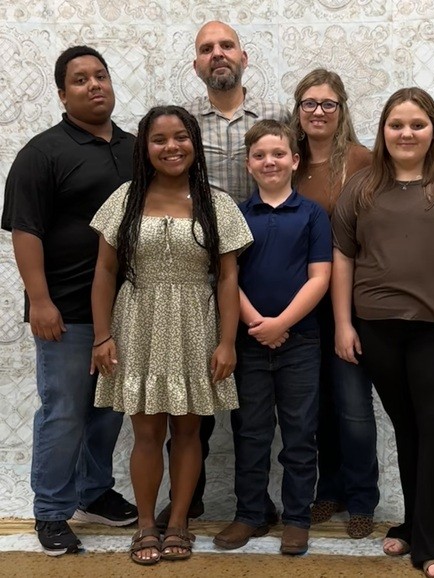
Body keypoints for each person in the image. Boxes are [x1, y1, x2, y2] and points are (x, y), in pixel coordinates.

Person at [332, 87, 434, 578]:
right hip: (378, 329)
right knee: (409, 429)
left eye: (417, 125)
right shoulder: (362, 188)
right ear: (383, 131)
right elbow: (343, 256)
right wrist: (343, 323)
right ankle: (413, 524)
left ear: (433, 131)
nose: (406, 133)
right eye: (396, 124)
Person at [90, 105, 253, 565]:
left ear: (194, 143)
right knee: (145, 431)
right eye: (159, 139)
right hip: (138, 323)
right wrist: (102, 336)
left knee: (187, 431)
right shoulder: (124, 199)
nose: (171, 147)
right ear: (145, 148)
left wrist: (227, 342)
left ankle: (179, 522)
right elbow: (104, 271)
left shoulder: (216, 203)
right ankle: (146, 524)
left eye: (180, 137)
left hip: (195, 325)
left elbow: (228, 278)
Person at [1, 45, 138, 556]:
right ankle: (52, 510)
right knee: (65, 412)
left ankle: (93, 491)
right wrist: (39, 300)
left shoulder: (134, 148)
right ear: (62, 94)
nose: (94, 85)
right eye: (80, 79)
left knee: (108, 411)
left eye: (100, 75)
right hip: (64, 312)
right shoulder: (42, 153)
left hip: (125, 311)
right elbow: (25, 229)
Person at [156, 19, 290, 529]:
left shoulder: (278, 116)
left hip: (266, 267)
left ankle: (255, 503)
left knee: (251, 398)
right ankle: (185, 501)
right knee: (192, 392)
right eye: (207, 48)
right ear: (196, 65)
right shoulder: (183, 124)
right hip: (198, 272)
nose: (218, 53)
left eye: (226, 45)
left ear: (243, 57)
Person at [214, 120, 332, 555]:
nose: (270, 162)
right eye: (260, 155)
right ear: (248, 164)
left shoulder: (312, 214)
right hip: (249, 342)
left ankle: (297, 518)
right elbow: (227, 277)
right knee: (251, 432)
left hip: (300, 342)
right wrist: (257, 324)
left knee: (300, 434)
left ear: (294, 161)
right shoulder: (237, 215)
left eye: (278, 154)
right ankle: (250, 514)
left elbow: (320, 277)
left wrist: (282, 323)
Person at [291, 68, 379, 537]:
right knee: (318, 406)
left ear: (342, 110)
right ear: (298, 110)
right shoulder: (290, 161)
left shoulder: (364, 161)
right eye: (310, 103)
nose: (319, 112)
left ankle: (362, 496)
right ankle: (330, 491)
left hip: (352, 303)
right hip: (304, 304)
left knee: (353, 406)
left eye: (328, 103)